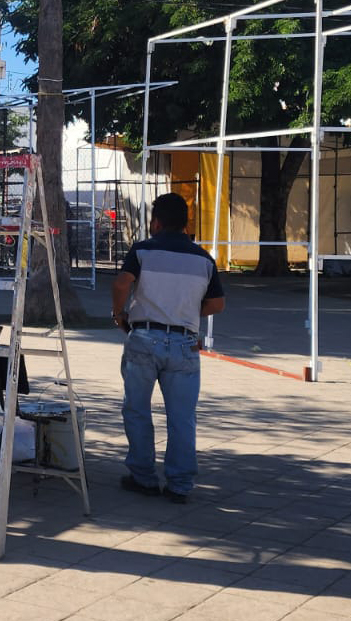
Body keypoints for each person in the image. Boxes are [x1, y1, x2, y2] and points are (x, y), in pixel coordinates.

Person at [110, 193, 225, 504]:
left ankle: (143, 477)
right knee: (182, 417)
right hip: (185, 343)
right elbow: (217, 303)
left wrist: (119, 314)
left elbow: (122, 283)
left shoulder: (144, 250)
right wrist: (184, 311)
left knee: (137, 409)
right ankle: (180, 484)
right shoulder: (204, 258)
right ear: (186, 224)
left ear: (156, 222)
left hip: (144, 339)